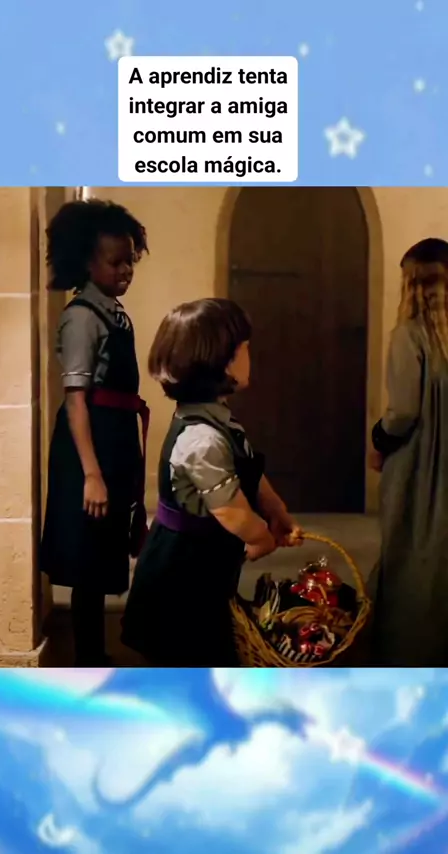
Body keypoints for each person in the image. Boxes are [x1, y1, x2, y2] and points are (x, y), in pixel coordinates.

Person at [121, 298, 303, 666]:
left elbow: (247, 469)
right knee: (188, 658)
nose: (250, 354)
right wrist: (261, 538)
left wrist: (275, 509)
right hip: (181, 577)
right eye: (244, 348)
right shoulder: (201, 439)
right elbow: (232, 513)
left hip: (206, 566)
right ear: (222, 362)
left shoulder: (219, 419)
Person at [40, 198, 149, 666]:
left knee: (103, 549)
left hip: (115, 437)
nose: (125, 270)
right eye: (115, 262)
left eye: (130, 261)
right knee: (87, 554)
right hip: (90, 444)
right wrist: (91, 474)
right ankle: (87, 658)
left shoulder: (114, 312)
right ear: (88, 262)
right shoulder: (82, 316)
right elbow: (75, 400)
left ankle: (95, 652)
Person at [369, 237, 448, 666]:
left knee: (414, 558)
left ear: (412, 284)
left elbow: (403, 412)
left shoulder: (409, 336)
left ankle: (410, 654)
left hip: (421, 466)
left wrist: (378, 440)